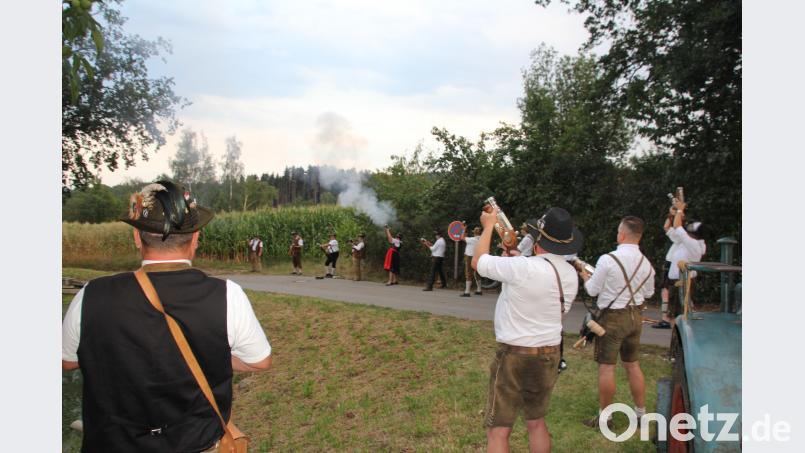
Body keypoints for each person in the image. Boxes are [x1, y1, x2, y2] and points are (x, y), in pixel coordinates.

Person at [62, 180, 272, 453]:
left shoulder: (90, 295)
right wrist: (208, 355)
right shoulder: (228, 296)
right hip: (195, 444)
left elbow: (67, 362)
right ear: (195, 238)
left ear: (137, 237)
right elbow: (260, 362)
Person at [472, 207, 581, 453]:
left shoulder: (523, 268)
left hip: (514, 356)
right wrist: (514, 260)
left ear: (539, 239)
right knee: (536, 422)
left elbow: (477, 261)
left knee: (498, 429)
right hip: (549, 354)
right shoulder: (570, 274)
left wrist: (489, 225)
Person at [578, 216, 655, 429]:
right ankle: (641, 414)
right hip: (635, 318)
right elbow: (648, 292)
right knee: (632, 365)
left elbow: (592, 290)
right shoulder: (647, 264)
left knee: (607, 367)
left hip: (612, 318)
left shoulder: (607, 259)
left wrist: (585, 276)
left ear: (622, 235)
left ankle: (605, 419)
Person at [653, 199, 706, 329]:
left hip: (683, 280)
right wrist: (673, 214)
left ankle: (684, 333)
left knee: (681, 313)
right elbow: (670, 228)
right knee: (676, 313)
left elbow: (677, 226)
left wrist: (680, 210)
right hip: (676, 280)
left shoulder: (693, 243)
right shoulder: (688, 241)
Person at [460, 226, 483, 297]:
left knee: (468, 273)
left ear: (474, 233)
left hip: (470, 257)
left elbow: (462, 237)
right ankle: (479, 290)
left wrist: (463, 229)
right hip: (478, 257)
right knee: (477, 273)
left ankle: (467, 291)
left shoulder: (472, 239)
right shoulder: (482, 239)